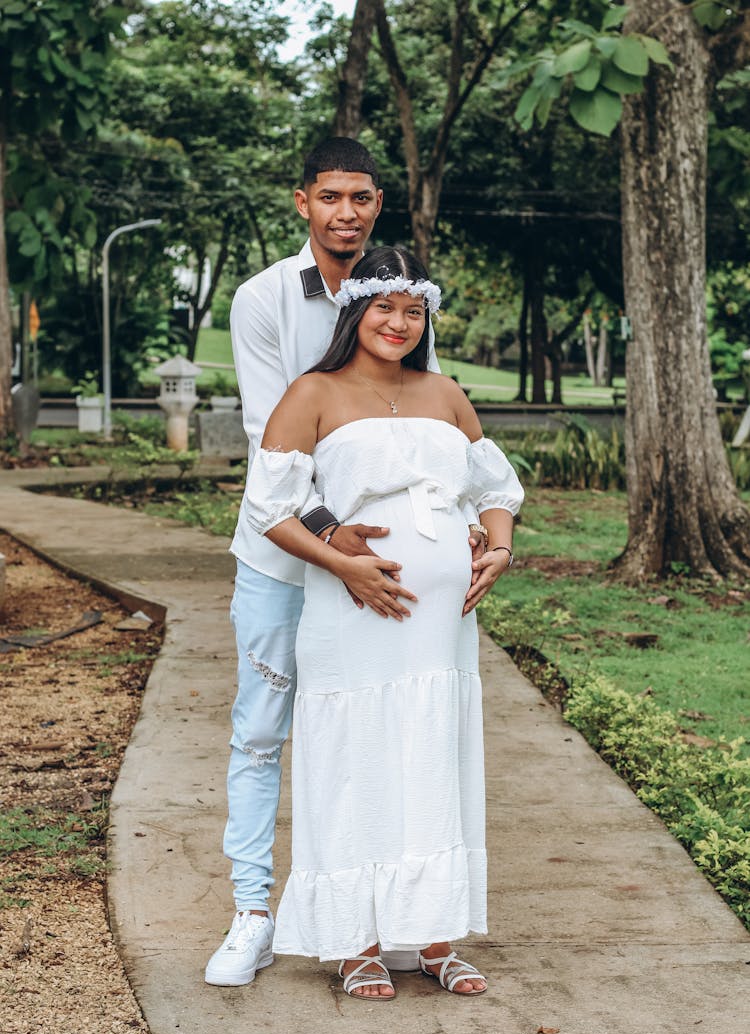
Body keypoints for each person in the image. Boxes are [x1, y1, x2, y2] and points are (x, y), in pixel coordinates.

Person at [243, 246, 524, 1000]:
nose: (398, 322)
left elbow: (497, 486)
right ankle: (356, 941)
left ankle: (433, 935)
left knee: (432, 755)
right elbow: (270, 506)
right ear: (355, 310)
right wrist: (344, 564)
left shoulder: (444, 392)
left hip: (440, 625)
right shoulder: (315, 392)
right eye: (383, 306)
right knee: (358, 757)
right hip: (353, 611)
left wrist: (496, 546)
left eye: (413, 310)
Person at [205, 139, 455, 987]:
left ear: (376, 205)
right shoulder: (264, 298)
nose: (345, 212)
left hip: (380, 581)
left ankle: (380, 915)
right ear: (302, 202)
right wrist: (332, 535)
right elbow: (266, 433)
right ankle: (252, 913)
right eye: (329, 197)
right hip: (286, 563)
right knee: (261, 733)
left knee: (379, 735)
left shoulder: (398, 298)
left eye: (360, 198)